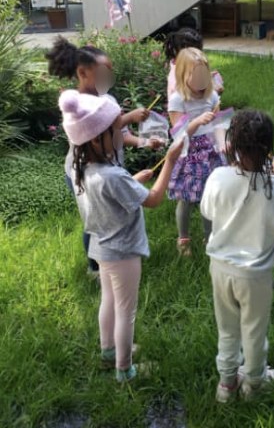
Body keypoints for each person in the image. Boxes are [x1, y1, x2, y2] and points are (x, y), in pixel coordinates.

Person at [58, 89, 182, 383]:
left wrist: (134, 181)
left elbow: (110, 196)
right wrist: (170, 161)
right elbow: (153, 200)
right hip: (123, 251)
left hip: (101, 247)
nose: (120, 136)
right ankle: (124, 369)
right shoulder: (114, 175)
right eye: (115, 132)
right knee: (126, 311)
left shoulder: (80, 168)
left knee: (109, 300)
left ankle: (108, 351)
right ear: (95, 139)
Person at [200, 109, 274, 403]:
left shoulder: (218, 177)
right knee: (254, 331)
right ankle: (254, 384)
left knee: (227, 329)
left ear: (232, 144)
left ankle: (227, 384)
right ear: (268, 148)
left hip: (220, 269)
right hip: (256, 276)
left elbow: (207, 211)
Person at [46, 36, 160, 278]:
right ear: (82, 72)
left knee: (114, 216)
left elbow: (119, 135)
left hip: (109, 169)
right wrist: (128, 117)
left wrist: (144, 142)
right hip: (86, 172)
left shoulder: (108, 100)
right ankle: (95, 267)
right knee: (96, 220)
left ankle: (115, 258)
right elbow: (98, 132)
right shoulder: (77, 107)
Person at [167, 47, 226, 255]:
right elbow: (178, 134)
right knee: (186, 198)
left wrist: (222, 143)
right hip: (188, 153)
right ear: (183, 75)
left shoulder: (211, 96)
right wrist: (196, 122)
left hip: (210, 151)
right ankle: (183, 238)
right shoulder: (177, 99)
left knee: (209, 195)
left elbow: (218, 124)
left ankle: (209, 236)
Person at [163, 27, 224, 103]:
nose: (199, 56)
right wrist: (213, 92)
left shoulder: (182, 67)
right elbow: (193, 101)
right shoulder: (176, 79)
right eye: (196, 53)